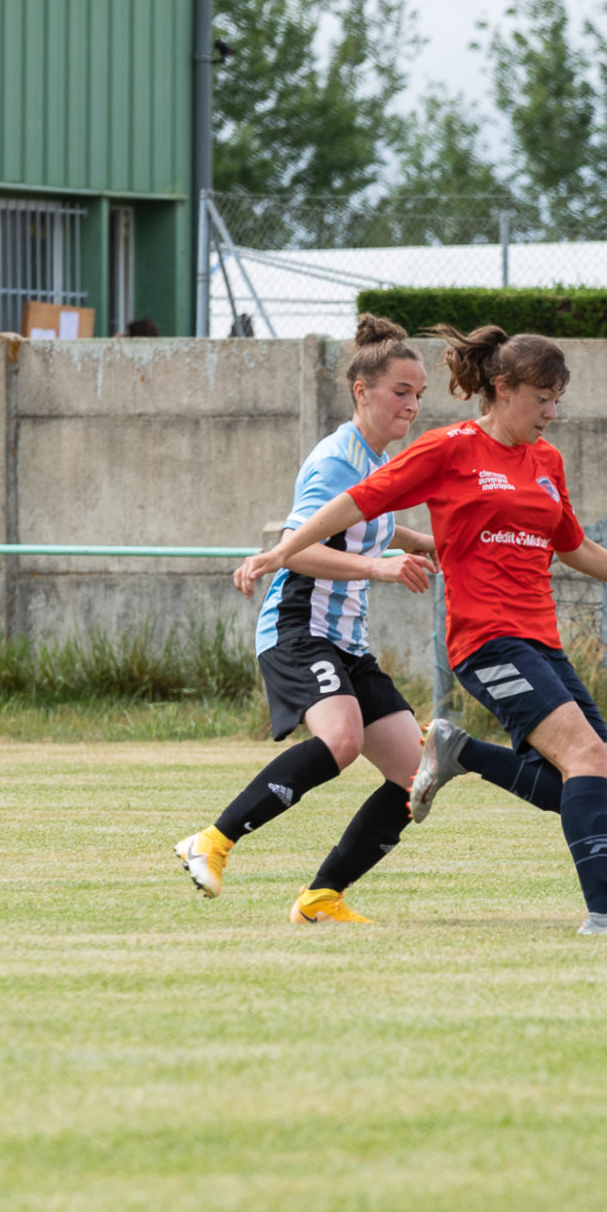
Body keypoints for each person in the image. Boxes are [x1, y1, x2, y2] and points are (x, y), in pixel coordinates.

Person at [238, 325, 607, 937]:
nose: (551, 413)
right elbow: (356, 502)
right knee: (584, 757)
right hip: (486, 640)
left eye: (557, 400)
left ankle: (462, 752)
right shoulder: (449, 448)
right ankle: (605, 915)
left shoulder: (547, 461)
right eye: (541, 398)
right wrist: (284, 551)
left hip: (542, 642)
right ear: (503, 388)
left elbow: (576, 548)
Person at [176, 315, 443, 923]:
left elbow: (366, 523)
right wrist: (380, 568)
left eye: (419, 395)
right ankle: (211, 842)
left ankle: (322, 897)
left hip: (346, 641)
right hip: (299, 629)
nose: (412, 405)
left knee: (416, 774)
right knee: (341, 740)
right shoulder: (335, 461)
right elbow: (297, 547)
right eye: (401, 392)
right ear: (362, 391)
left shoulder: (376, 460)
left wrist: (423, 542)